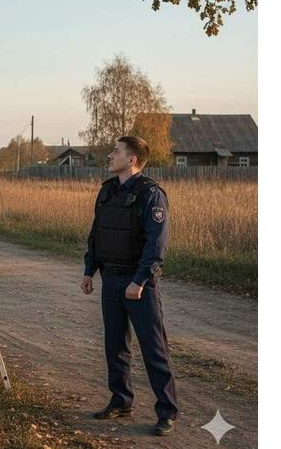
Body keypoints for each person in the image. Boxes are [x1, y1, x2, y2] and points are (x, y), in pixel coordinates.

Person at [79, 136, 179, 436]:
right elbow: (97, 233)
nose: (110, 155)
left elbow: (156, 244)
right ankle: (121, 400)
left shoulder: (151, 194)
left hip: (138, 284)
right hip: (110, 279)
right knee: (115, 346)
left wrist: (140, 280)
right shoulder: (108, 191)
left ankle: (167, 411)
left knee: (154, 348)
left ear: (132, 159)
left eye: (116, 151)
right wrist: (89, 270)